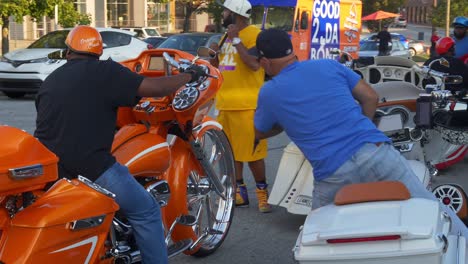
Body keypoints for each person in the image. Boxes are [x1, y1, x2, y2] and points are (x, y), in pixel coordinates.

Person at [251, 28, 468, 237]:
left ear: (264, 62)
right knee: (432, 210)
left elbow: (260, 132)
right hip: (376, 152)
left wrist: (284, 123)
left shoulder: (270, 91)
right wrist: (363, 130)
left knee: (316, 236)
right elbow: (370, 97)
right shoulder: (327, 65)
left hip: (332, 173)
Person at [34, 26, 205, 264]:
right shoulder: (106, 72)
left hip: (52, 168)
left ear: (68, 52)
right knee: (147, 211)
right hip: (93, 168)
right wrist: (190, 76)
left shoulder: (52, 79)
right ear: (99, 52)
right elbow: (155, 88)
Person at [209, 0, 271, 213]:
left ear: (235, 13)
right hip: (225, 104)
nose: (223, 14)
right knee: (231, 153)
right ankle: (239, 193)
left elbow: (254, 65)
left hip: (247, 105)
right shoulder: (226, 36)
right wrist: (214, 55)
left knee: (253, 154)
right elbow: (221, 68)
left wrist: (236, 40)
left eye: (225, 10)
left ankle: (262, 194)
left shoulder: (255, 34)